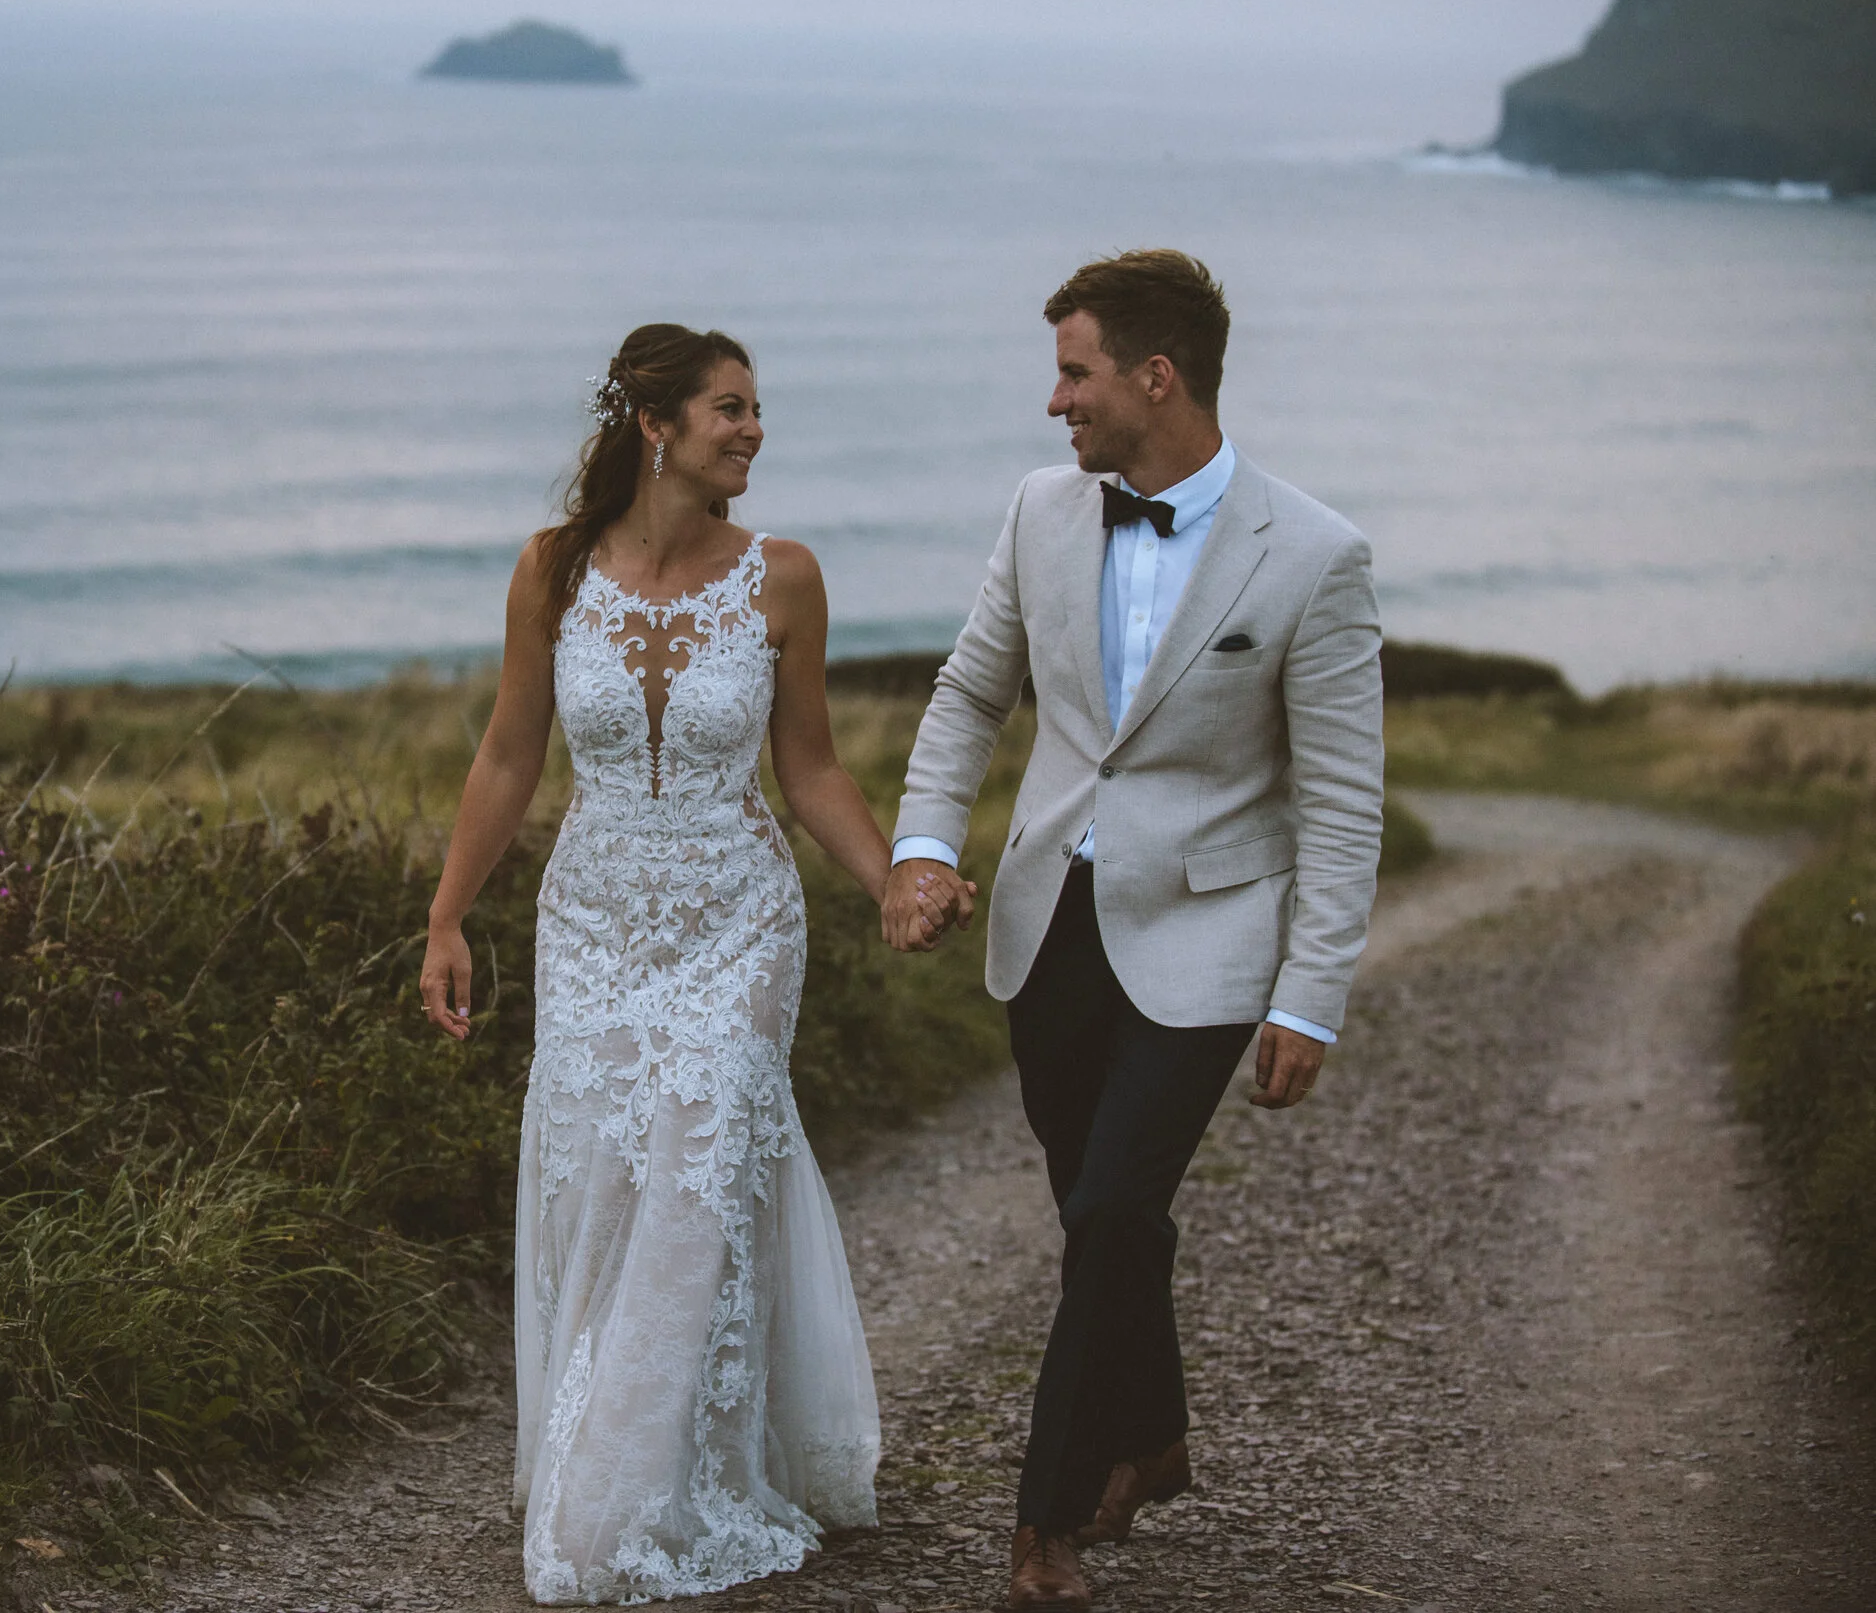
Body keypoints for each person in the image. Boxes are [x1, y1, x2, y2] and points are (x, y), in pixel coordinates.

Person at [883, 251, 1384, 1610]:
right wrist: (925, 847)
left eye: (1075, 373)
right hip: (1051, 923)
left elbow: (1342, 802)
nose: (1057, 405)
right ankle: (1156, 1436)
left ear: (1155, 377)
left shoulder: (1316, 556)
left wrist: (1310, 994)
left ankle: (1041, 1520)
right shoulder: (1043, 511)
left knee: (1111, 1207)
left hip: (1211, 941)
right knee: (1101, 1215)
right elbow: (969, 695)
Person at [422, 324, 924, 1602]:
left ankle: (629, 1493)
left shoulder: (783, 579)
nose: (753, 430)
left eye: (757, 411)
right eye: (729, 409)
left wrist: (890, 881)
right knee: (601, 1173)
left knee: (701, 1152)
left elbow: (807, 766)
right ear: (657, 425)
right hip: (591, 916)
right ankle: (616, 1450)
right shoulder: (550, 571)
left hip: (738, 914)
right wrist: (446, 915)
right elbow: (506, 756)